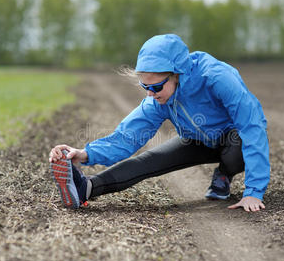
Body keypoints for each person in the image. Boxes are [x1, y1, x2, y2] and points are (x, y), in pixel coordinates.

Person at [49, 34, 270, 212]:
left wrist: (253, 192)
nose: (151, 93)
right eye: (145, 87)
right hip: (197, 139)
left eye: (156, 87)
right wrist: (85, 154)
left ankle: (224, 174)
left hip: (233, 137)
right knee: (150, 160)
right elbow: (127, 137)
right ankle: (86, 188)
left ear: (177, 74)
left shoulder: (216, 77)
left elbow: (252, 126)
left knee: (234, 154)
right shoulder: (157, 99)